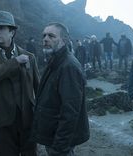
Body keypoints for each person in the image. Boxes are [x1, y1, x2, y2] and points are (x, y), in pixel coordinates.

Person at [0, 10, 40, 156]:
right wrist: (14, 62)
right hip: (0, 121)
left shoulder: (29, 56)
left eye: (1, 28)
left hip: (27, 119)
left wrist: (42, 114)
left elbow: (39, 88)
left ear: (12, 32)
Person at [32, 22, 90, 156]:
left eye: (51, 36)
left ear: (63, 40)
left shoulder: (68, 66)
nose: (45, 39)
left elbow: (70, 112)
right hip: (52, 132)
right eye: (44, 35)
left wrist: (60, 146)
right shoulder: (55, 60)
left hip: (59, 139)